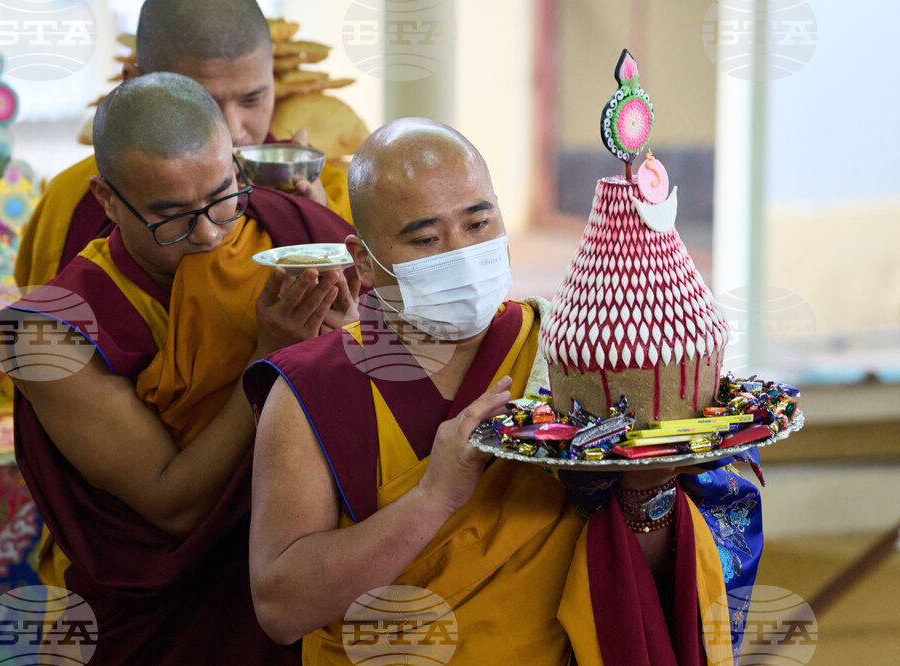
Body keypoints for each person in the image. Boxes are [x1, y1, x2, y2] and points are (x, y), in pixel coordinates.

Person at [244, 118, 759, 664]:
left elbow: (650, 587)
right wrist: (432, 499)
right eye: (425, 238)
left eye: (478, 223)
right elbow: (281, 609)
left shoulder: (570, 356)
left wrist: (646, 489)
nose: (461, 252)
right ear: (364, 260)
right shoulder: (314, 388)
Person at [0, 73, 354, 664]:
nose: (209, 233)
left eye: (222, 197)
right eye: (172, 217)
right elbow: (173, 504)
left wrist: (349, 345)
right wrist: (269, 360)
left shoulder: (288, 237)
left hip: (298, 591)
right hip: (165, 625)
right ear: (108, 200)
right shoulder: (53, 331)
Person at [14, 0, 352, 288]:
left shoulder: (339, 193)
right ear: (134, 84)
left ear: (271, 69)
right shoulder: (68, 200)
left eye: (252, 99)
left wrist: (315, 222)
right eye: (200, 103)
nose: (234, 132)